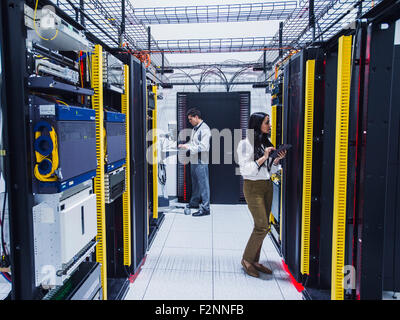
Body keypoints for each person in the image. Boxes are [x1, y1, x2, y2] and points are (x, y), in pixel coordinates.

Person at [237, 112, 287, 278]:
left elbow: (268, 170)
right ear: (257, 124)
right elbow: (245, 170)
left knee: (263, 227)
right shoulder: (245, 144)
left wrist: (275, 160)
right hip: (253, 187)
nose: (270, 125)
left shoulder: (263, 142)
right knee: (262, 226)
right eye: (267, 122)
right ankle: (246, 260)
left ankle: (255, 261)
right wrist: (264, 157)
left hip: (267, 185)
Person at [178, 108, 211, 217]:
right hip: (194, 158)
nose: (189, 121)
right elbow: (193, 143)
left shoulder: (205, 129)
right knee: (196, 182)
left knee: (203, 184)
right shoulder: (195, 129)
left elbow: (203, 146)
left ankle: (206, 208)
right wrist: (185, 145)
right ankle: (194, 202)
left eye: (191, 119)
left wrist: (187, 147)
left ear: (196, 117)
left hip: (201, 158)